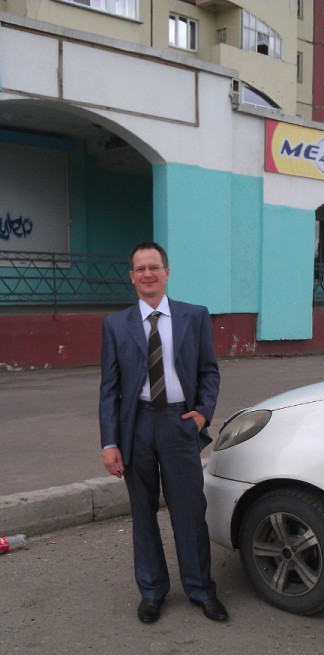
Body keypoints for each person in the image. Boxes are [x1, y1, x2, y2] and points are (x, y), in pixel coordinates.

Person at [99, 241, 228, 624]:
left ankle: (201, 589)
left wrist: (202, 413)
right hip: (135, 426)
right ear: (132, 277)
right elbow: (109, 388)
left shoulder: (194, 316)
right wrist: (109, 442)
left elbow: (209, 371)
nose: (147, 274)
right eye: (140, 269)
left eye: (154, 267)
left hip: (179, 423)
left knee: (189, 511)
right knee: (143, 513)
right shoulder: (116, 325)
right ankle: (152, 592)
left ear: (167, 272)